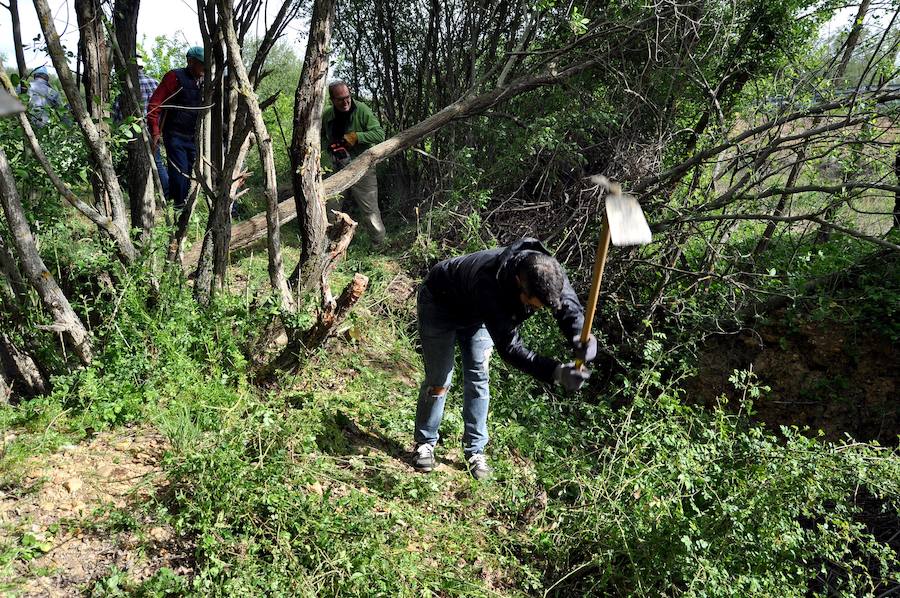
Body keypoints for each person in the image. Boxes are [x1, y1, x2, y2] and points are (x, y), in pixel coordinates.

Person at [412, 238, 598, 480]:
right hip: (440, 303)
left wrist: (580, 336)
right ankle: (425, 443)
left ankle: (475, 451)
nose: (538, 309)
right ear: (520, 283)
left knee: (478, 376)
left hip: (476, 314)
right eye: (534, 304)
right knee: (440, 378)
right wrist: (556, 372)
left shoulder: (548, 271)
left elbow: (568, 307)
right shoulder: (488, 281)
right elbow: (510, 348)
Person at [321, 81, 386, 243]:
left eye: (347, 97)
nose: (345, 102)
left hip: (362, 166)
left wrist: (357, 137)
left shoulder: (362, 110)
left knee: (370, 210)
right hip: (337, 167)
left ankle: (379, 244)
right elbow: (320, 138)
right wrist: (330, 148)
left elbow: (379, 134)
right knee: (330, 207)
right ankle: (327, 243)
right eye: (340, 99)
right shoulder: (328, 115)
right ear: (332, 100)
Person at [147, 46, 205, 210]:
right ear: (190, 61)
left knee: (192, 174)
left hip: (194, 137)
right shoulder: (175, 77)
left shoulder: (204, 82)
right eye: (201, 64)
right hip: (175, 136)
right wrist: (155, 132)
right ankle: (179, 209)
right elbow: (154, 106)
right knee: (179, 174)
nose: (204, 68)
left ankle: (186, 207)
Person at [112, 55, 169, 197]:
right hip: (154, 129)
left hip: (133, 130)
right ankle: (167, 193)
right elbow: (164, 107)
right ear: (142, 67)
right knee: (157, 162)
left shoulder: (124, 86)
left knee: (137, 161)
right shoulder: (154, 82)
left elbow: (117, 111)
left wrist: (118, 128)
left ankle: (142, 192)